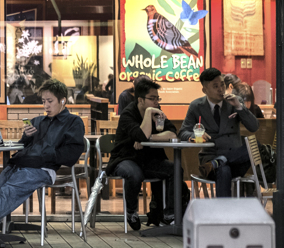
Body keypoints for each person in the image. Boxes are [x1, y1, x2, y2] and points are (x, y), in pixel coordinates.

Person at [0, 79, 85, 248]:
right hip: (20, 164)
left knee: (8, 191)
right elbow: (23, 146)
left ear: (62, 101)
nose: (46, 106)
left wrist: (46, 151)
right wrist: (27, 137)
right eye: (43, 101)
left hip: (43, 168)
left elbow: (71, 154)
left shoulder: (73, 122)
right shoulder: (37, 121)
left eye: (50, 101)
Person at [107, 77, 188, 230]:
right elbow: (141, 135)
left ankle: (170, 214)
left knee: (175, 168)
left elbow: (172, 133)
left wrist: (150, 138)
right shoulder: (128, 114)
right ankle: (131, 211)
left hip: (148, 160)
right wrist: (148, 115)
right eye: (152, 99)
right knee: (134, 174)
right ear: (140, 100)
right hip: (125, 158)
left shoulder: (158, 113)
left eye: (157, 98)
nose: (156, 102)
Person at [179, 67, 259, 197]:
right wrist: (195, 136)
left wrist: (239, 107)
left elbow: (254, 127)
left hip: (236, 160)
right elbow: (183, 132)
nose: (221, 89)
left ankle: (221, 161)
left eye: (222, 84)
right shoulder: (196, 106)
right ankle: (223, 213)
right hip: (210, 160)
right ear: (205, 90)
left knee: (257, 146)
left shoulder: (234, 101)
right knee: (224, 170)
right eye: (215, 86)